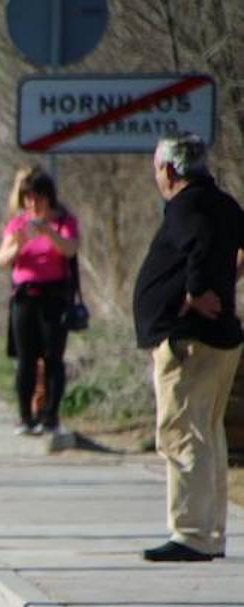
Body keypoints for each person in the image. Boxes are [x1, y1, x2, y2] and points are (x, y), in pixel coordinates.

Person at [133, 134, 243, 563]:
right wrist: (225, 279)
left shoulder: (188, 205)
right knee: (207, 433)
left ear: (169, 170)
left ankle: (192, 535)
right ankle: (210, 533)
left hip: (188, 341)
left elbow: (195, 242)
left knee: (181, 433)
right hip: (217, 338)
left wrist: (198, 290)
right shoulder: (224, 203)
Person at [0, 169, 79, 436]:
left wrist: (48, 233)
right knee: (26, 359)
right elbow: (2, 259)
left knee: (53, 358)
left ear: (48, 198)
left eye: (38, 199)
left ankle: (50, 415)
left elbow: (70, 248)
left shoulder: (63, 222)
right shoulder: (18, 224)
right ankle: (25, 416)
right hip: (25, 297)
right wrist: (19, 243)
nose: (33, 205)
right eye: (28, 199)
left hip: (54, 297)